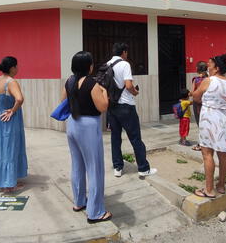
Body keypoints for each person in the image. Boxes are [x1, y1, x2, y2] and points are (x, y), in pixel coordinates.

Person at [62, 51, 112, 224]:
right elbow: (103, 107)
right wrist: (104, 92)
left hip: (72, 124)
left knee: (77, 164)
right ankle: (96, 211)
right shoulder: (92, 83)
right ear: (89, 66)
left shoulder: (69, 81)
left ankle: (79, 202)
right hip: (88, 126)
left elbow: (64, 101)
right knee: (95, 168)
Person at [192, 54, 226, 199]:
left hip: (209, 121)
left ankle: (208, 189)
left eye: (210, 64)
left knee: (207, 155)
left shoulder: (209, 81)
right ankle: (221, 186)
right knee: (223, 155)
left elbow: (195, 96)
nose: (208, 66)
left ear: (217, 68)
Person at [107, 43, 157, 178]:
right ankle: (143, 168)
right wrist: (135, 92)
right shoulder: (125, 64)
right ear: (123, 52)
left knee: (115, 138)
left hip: (111, 107)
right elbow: (128, 85)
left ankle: (117, 167)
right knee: (135, 138)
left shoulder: (107, 64)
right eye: (126, 52)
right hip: (126, 106)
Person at [0, 56, 28, 193]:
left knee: (0, 149)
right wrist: (12, 110)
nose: (18, 69)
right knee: (9, 149)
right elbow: (19, 99)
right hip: (8, 120)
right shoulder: (11, 82)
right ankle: (9, 184)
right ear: (12, 68)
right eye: (16, 66)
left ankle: (2, 180)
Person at [191, 61, 208, 151]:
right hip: (208, 104)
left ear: (198, 69)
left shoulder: (196, 80)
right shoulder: (209, 79)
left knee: (200, 124)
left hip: (198, 104)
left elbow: (193, 93)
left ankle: (202, 144)